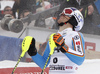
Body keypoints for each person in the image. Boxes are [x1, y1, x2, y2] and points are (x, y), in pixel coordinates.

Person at [23, 7, 85, 74]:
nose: (62, 14)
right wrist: (32, 52)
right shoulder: (53, 37)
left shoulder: (75, 35)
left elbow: (80, 59)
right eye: (62, 12)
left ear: (74, 19)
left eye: (67, 12)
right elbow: (44, 64)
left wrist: (63, 47)